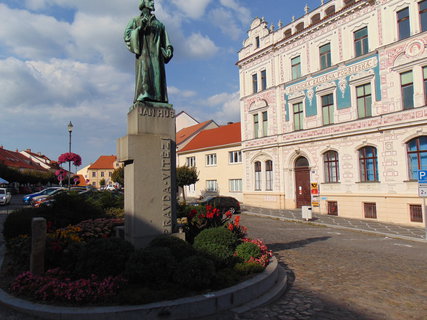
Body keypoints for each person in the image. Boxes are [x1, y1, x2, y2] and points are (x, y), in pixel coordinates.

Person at [124, 0, 173, 104]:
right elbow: (127, 36)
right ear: (143, 3)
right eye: (150, 0)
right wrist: (140, 28)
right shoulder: (135, 20)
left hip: (157, 58)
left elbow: (167, 42)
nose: (153, 2)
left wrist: (168, 50)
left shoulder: (159, 24)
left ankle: (159, 97)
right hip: (143, 55)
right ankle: (144, 95)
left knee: (157, 80)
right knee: (144, 76)